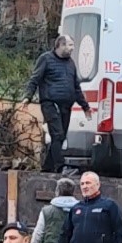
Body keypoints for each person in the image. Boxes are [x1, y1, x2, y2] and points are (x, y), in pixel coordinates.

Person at [28, 36, 86, 173]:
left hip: (66, 106)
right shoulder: (46, 59)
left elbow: (76, 87)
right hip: (50, 103)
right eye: (70, 45)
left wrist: (85, 106)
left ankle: (47, 168)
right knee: (57, 134)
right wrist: (27, 96)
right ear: (61, 45)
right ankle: (60, 166)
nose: (72, 48)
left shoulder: (71, 63)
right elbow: (35, 78)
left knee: (60, 137)